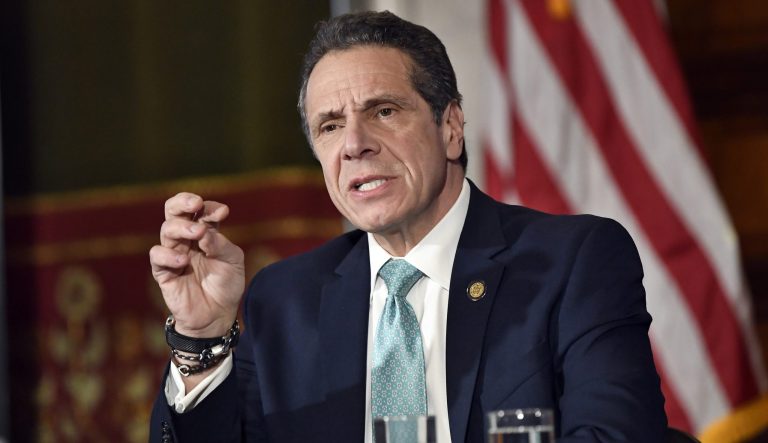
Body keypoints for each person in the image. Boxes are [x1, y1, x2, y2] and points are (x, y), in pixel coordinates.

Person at [148, 10, 667, 443]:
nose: (354, 143)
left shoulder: (572, 262)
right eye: (330, 126)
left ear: (450, 127)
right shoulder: (287, 301)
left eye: (384, 111)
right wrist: (201, 336)